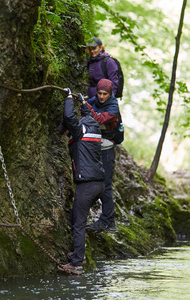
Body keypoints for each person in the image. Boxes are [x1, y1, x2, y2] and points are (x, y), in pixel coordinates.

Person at [58, 89, 105, 275]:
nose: (67, 134)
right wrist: (83, 103)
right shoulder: (92, 126)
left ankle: (77, 264)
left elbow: (69, 116)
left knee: (78, 223)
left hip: (86, 184)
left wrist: (69, 98)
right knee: (75, 217)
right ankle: (79, 253)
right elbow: (85, 114)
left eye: (67, 131)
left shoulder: (78, 130)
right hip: (99, 184)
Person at [86, 79, 120, 232]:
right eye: (99, 93)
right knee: (94, 182)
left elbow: (98, 119)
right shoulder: (95, 100)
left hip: (107, 149)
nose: (101, 97)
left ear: (110, 93)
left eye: (104, 94)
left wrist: (85, 106)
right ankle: (106, 220)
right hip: (95, 147)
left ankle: (108, 221)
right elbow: (89, 103)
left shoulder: (113, 107)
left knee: (106, 186)